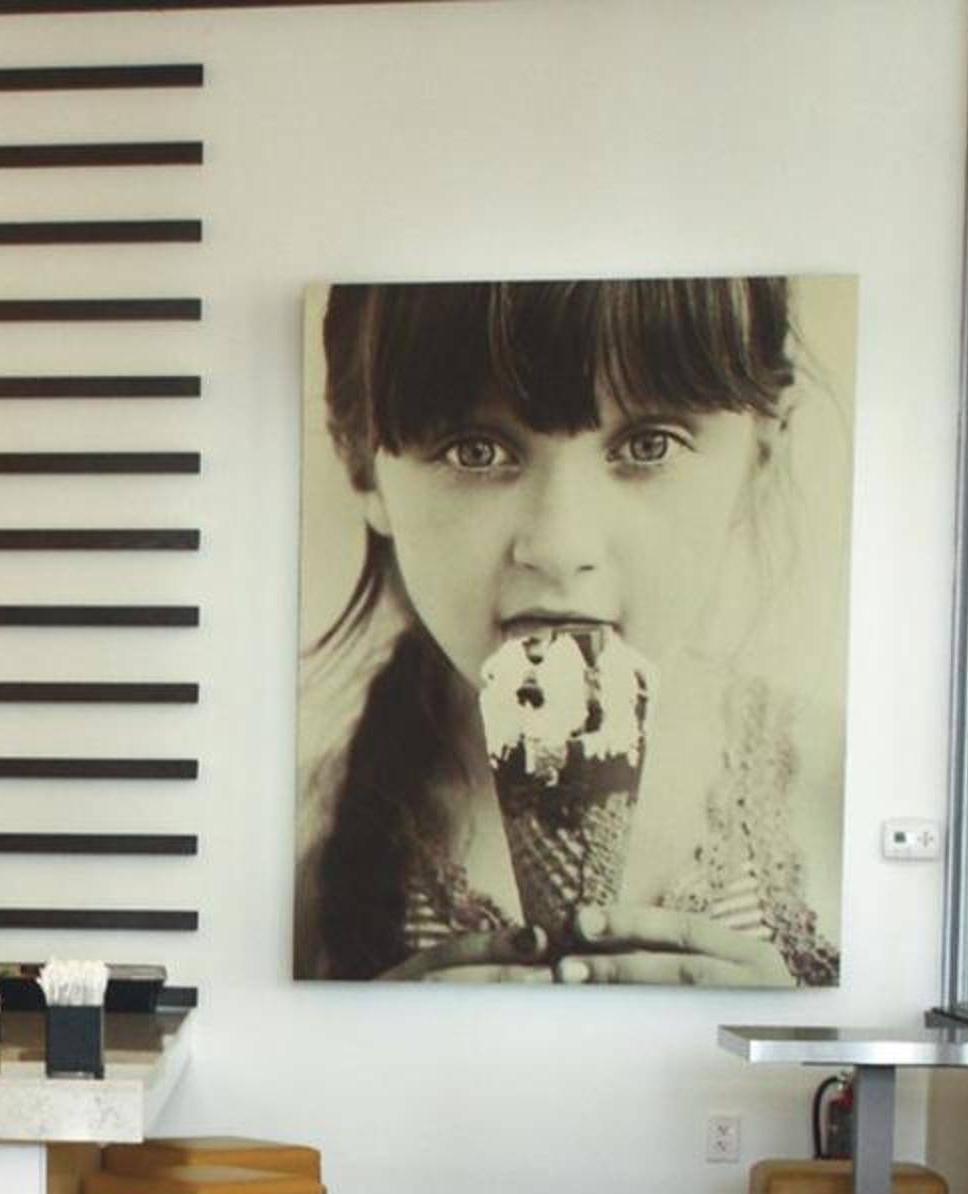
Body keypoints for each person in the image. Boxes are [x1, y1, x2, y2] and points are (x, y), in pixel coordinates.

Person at [295, 277, 842, 985]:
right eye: (475, 450)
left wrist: (791, 1040)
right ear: (363, 469)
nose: (559, 546)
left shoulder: (851, 796)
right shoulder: (295, 847)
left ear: (758, 457)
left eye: (649, 444)